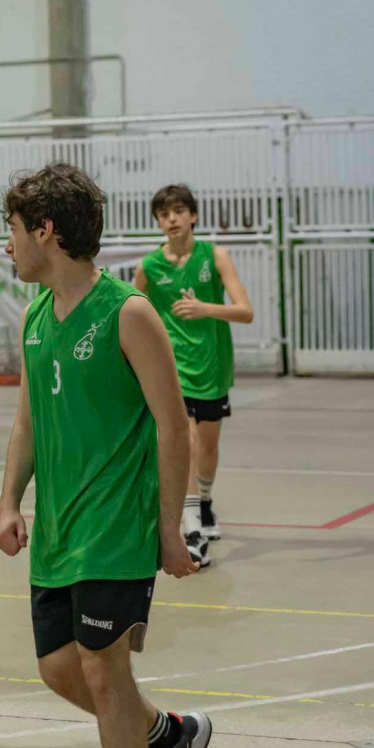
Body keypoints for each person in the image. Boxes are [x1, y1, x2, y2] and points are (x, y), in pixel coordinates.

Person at [0, 164, 212, 748]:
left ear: (44, 230)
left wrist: (169, 528)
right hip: (57, 526)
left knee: (103, 664)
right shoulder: (34, 317)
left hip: (117, 523)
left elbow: (172, 424)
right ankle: (167, 735)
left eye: (12, 229)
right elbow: (27, 422)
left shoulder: (129, 312)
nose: (6, 244)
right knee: (60, 669)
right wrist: (8, 502)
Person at [134, 184, 253, 562]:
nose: (172, 219)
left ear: (193, 216)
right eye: (164, 214)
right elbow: (135, 315)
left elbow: (245, 311)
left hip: (212, 367)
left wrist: (205, 309)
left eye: (179, 211)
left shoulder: (215, 256)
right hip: (172, 369)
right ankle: (193, 530)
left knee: (208, 447)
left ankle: (204, 501)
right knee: (184, 442)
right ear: (158, 222)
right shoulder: (149, 267)